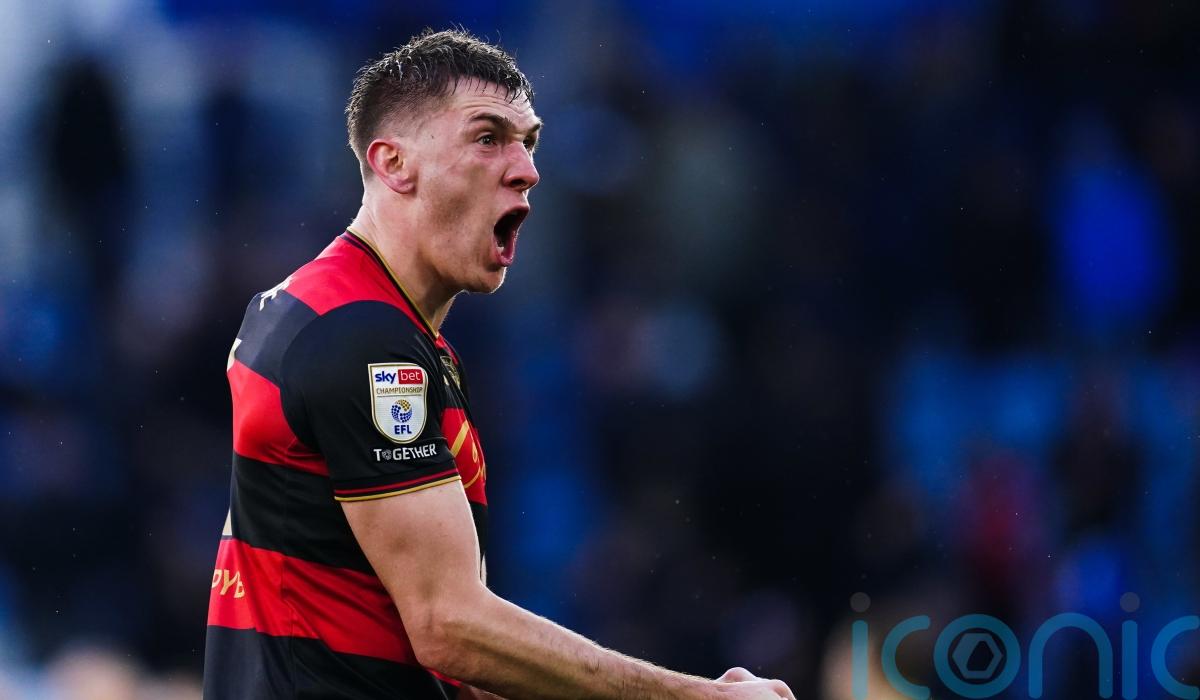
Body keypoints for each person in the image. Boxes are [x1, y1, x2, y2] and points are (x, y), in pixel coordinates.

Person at [203, 28, 795, 700]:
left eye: (528, 143)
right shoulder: (364, 339)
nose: (527, 170)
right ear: (394, 164)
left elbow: (442, 655)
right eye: (488, 138)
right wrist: (696, 698)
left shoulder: (318, 311)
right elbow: (448, 627)